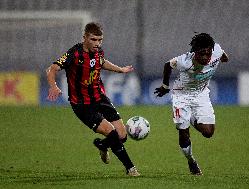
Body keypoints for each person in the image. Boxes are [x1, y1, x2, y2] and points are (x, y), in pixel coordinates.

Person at [46, 22, 140, 176]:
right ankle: (130, 168)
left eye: (100, 40)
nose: (97, 43)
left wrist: (120, 70)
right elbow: (52, 69)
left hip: (100, 98)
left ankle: (102, 145)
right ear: (85, 38)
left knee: (122, 135)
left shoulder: (98, 51)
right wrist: (53, 86)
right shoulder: (74, 54)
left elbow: (101, 62)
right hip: (83, 105)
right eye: (94, 40)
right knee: (111, 132)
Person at [154, 33, 229, 175]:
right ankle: (191, 161)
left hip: (201, 94)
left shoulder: (216, 51)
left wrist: (224, 57)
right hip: (181, 96)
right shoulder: (184, 61)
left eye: (208, 54)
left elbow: (223, 54)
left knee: (208, 133)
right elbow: (167, 65)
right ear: (195, 53)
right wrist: (164, 86)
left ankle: (189, 118)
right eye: (202, 54)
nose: (205, 58)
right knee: (183, 132)